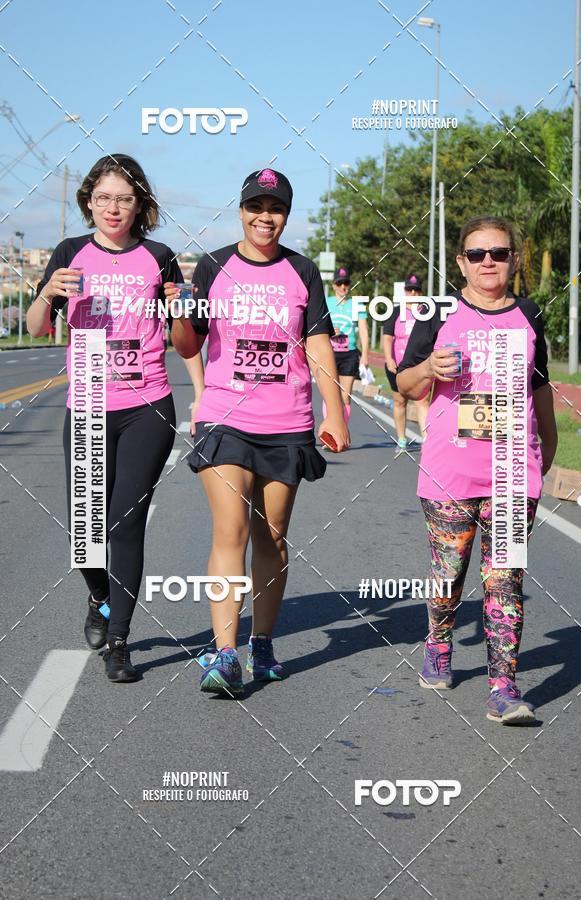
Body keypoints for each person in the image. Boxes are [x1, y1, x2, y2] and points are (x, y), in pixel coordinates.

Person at [169, 168, 349, 698]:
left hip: (286, 421)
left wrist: (333, 410)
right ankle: (225, 654)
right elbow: (187, 344)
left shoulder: (303, 270)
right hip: (226, 416)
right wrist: (180, 316)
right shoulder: (213, 265)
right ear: (241, 210)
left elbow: (317, 347)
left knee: (272, 537)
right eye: (255, 207)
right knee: (232, 530)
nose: (263, 217)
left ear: (286, 215)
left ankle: (262, 642)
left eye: (274, 209)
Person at [27, 154, 182, 683]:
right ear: (88, 201)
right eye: (104, 198)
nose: (114, 208)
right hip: (89, 401)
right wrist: (48, 291)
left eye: (125, 198)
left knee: (124, 522)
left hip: (147, 405)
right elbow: (36, 324)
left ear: (141, 205)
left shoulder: (160, 256)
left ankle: (120, 643)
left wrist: (180, 309)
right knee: (84, 529)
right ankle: (100, 596)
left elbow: (185, 341)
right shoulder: (70, 253)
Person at [397, 215, 557, 725]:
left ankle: (503, 688)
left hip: (512, 472)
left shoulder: (529, 314)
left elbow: (539, 389)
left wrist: (544, 452)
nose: (490, 261)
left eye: (500, 253)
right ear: (461, 262)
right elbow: (403, 382)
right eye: (478, 254)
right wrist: (427, 370)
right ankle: (439, 644)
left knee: (505, 580)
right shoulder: (440, 313)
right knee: (448, 576)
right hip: (450, 472)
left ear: (514, 259)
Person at [382, 273, 429, 449]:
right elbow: (387, 337)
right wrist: (389, 359)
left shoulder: (427, 310)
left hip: (419, 366)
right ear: (405, 291)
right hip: (398, 365)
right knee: (400, 401)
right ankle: (401, 438)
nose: (413, 293)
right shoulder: (396, 311)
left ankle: (427, 440)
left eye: (417, 290)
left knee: (422, 401)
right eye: (410, 289)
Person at [324, 267, 369, 427]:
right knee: (330, 395)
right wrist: (329, 331)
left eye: (346, 283)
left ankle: (341, 430)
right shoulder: (326, 302)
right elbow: (317, 327)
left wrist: (365, 355)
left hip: (349, 353)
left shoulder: (356, 304)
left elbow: (363, 330)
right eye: (339, 283)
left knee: (345, 395)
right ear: (334, 285)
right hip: (329, 353)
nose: (343, 287)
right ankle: (330, 430)